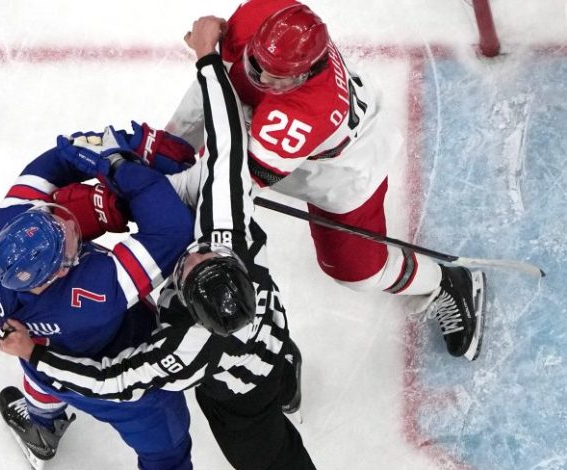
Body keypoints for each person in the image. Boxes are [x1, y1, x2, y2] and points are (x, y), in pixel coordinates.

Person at [0, 17, 316, 470]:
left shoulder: (185, 349)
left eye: (185, 271)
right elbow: (228, 140)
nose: (193, 252)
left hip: (239, 393)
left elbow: (111, 381)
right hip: (271, 331)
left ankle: (280, 385)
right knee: (275, 356)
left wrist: (35, 354)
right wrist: (207, 58)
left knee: (269, 459)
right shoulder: (229, 232)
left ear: (190, 307)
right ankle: (286, 381)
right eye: (206, 255)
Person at [164, 0, 485, 361]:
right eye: (259, 65)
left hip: (343, 171)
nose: (264, 80)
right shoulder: (268, 14)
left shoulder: (303, 114)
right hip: (283, 140)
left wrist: (160, 187)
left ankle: (445, 282)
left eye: (279, 78)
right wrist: (166, 149)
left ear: (307, 73)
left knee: (357, 272)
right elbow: (218, 84)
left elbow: (229, 180)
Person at [0, 129, 197, 469]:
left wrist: (81, 152)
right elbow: (172, 231)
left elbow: (48, 168)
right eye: (63, 239)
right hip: (122, 383)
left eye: (52, 217)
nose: (68, 225)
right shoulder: (94, 295)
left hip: (40, 355)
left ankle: (41, 426)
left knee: (40, 373)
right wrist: (119, 169)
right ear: (56, 273)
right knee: (165, 448)